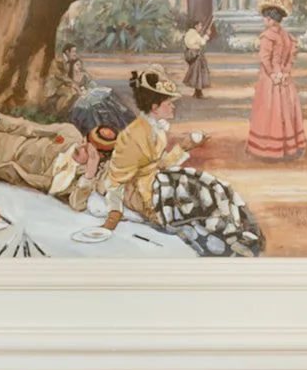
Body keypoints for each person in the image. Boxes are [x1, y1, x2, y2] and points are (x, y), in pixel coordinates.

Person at [103, 65, 264, 257]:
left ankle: (237, 229)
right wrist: (114, 215)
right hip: (140, 193)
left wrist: (186, 146)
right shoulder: (132, 135)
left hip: (155, 180)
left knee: (210, 184)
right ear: (155, 107)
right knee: (189, 191)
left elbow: (160, 164)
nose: (173, 107)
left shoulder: (156, 129)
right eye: (168, 103)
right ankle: (224, 238)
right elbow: (116, 180)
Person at [0, 103, 118, 213]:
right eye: (84, 141)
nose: (80, 146)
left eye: (89, 150)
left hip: (0, 171)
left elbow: (77, 205)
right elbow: (28, 127)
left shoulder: (84, 179)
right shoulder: (69, 133)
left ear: (98, 158)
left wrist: (90, 173)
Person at [247, 0, 306, 161]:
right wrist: (284, 73)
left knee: (270, 112)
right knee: (285, 111)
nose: (264, 20)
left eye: (266, 17)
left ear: (271, 18)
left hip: (269, 80)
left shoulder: (267, 36)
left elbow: (265, 59)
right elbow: (291, 59)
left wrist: (274, 74)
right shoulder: (288, 36)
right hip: (285, 81)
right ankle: (288, 147)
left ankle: (269, 149)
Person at [181, 19, 214, 99]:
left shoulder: (189, 33)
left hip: (192, 55)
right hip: (196, 55)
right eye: (200, 25)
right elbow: (202, 42)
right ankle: (198, 93)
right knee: (198, 73)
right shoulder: (194, 34)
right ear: (196, 26)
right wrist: (207, 35)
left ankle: (197, 92)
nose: (201, 27)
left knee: (196, 74)